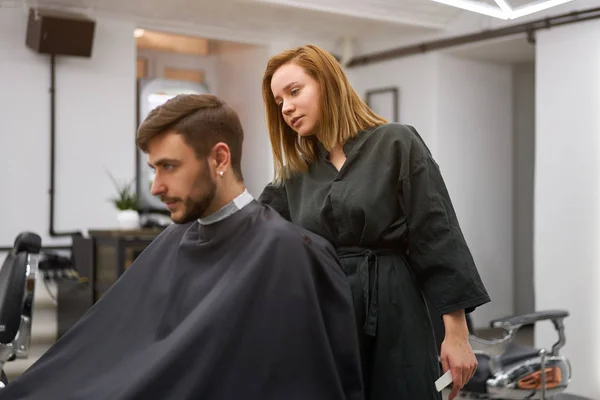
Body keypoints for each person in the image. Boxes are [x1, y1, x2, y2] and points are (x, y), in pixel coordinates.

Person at [0, 94, 364, 400]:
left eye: (169, 167)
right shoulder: (174, 239)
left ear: (220, 159)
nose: (156, 187)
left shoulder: (290, 253)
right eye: (153, 169)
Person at [258, 44, 492, 400]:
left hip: (396, 306)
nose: (287, 108)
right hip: (328, 312)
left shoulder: (396, 141)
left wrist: (456, 334)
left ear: (328, 84)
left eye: (294, 91)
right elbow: (253, 233)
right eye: (279, 102)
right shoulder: (296, 176)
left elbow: (436, 234)